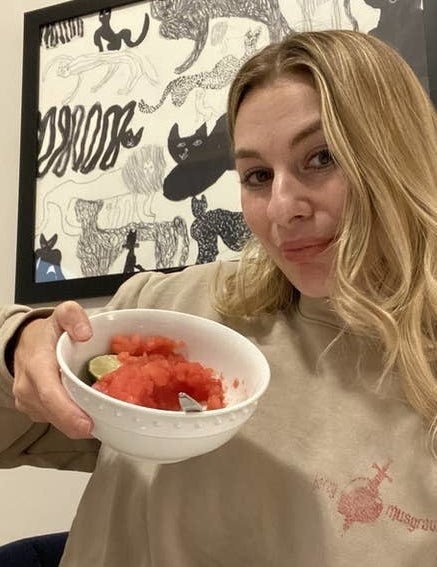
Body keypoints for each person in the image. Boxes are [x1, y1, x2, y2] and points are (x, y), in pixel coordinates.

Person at [2, 29, 437, 565]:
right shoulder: (176, 309)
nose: (281, 209)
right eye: (257, 175)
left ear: (399, 157)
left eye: (321, 158)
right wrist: (17, 343)